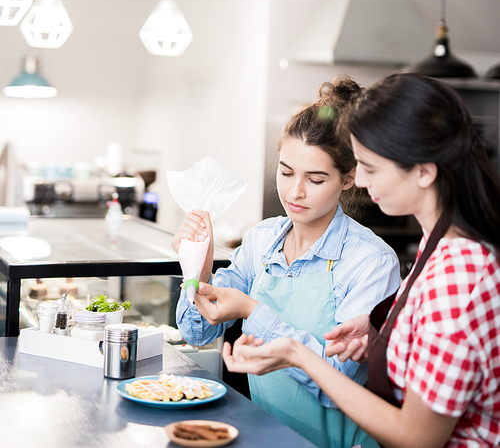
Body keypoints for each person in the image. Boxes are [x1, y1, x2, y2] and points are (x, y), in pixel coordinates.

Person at [222, 73, 500, 448]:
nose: (363, 182)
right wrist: (378, 337)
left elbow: (416, 438)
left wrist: (298, 354)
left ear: (423, 171)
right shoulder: (435, 248)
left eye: (370, 167)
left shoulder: (459, 272)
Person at [172, 76, 401, 448]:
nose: (294, 192)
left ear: (348, 179)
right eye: (285, 171)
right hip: (267, 435)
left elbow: (338, 380)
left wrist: (251, 309)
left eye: (315, 178)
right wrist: (197, 267)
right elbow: (197, 333)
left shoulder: (371, 262)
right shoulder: (263, 239)